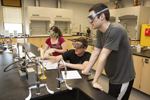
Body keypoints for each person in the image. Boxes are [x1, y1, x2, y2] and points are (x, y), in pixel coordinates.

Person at [82, 3, 135, 100]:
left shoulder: (116, 30)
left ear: (102, 16)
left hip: (122, 77)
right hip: (113, 76)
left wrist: (95, 81)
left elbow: (103, 56)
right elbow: (96, 52)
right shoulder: (99, 31)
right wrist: (86, 70)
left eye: (92, 17)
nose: (90, 21)